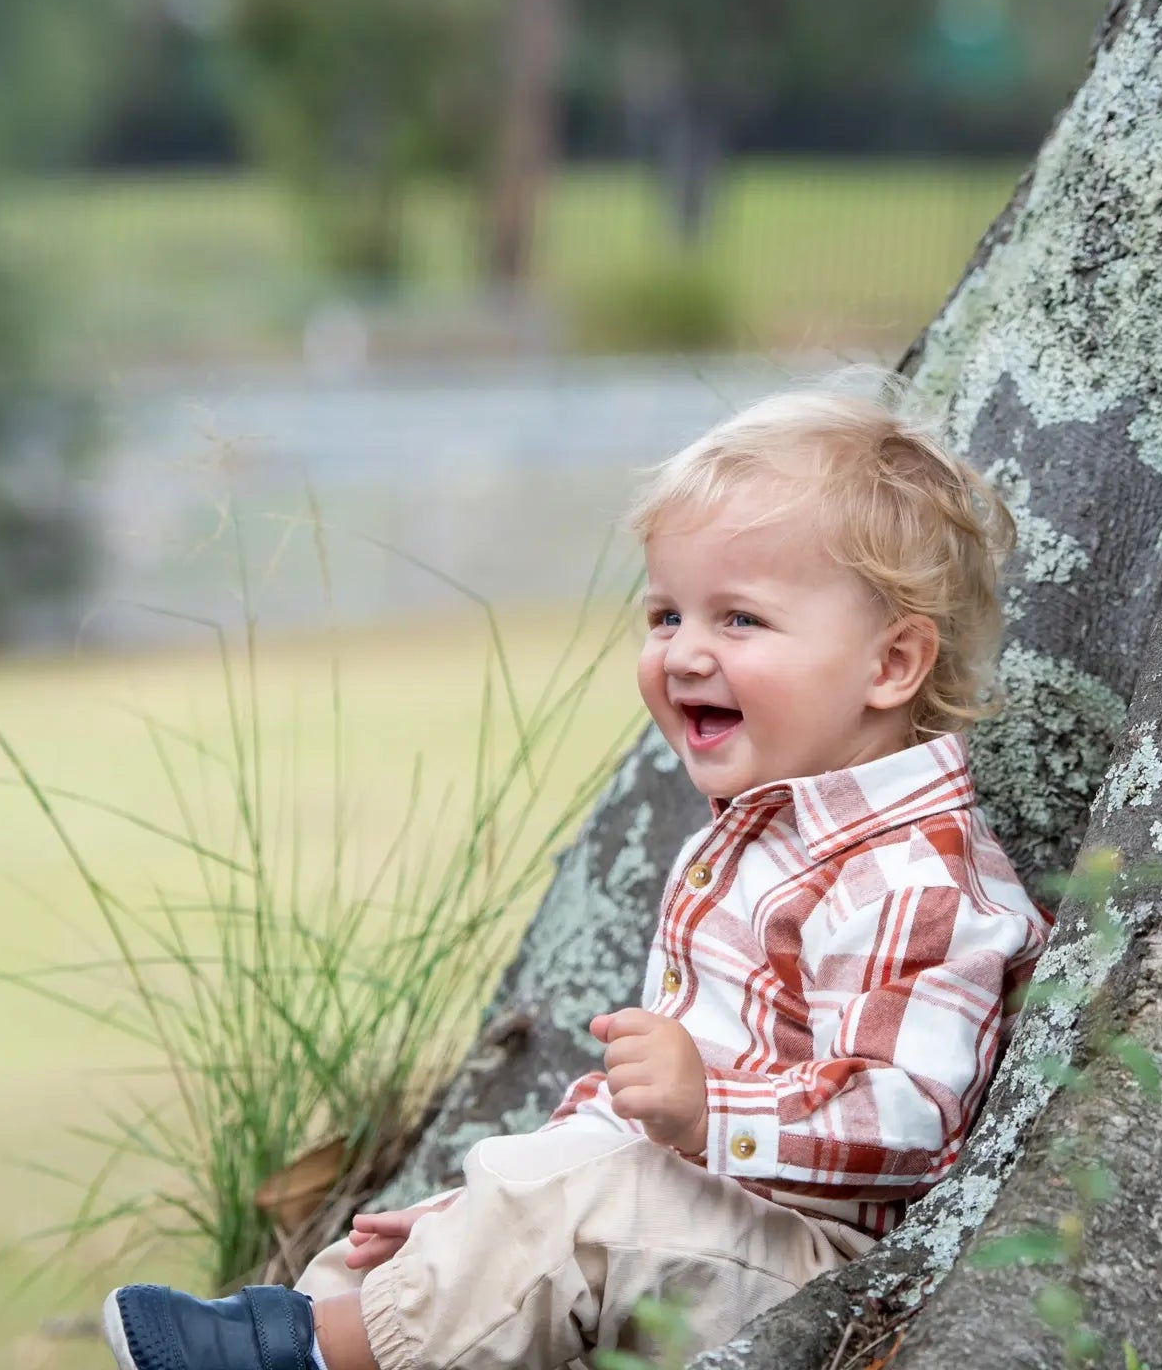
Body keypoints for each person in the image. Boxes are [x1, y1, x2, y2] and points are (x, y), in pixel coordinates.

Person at [102, 375, 1051, 1370]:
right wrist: (482, 1211)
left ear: (892, 665)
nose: (684, 654)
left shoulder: (913, 877)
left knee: (592, 1206)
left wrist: (705, 1109)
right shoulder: (757, 840)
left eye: (740, 620)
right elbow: (623, 1142)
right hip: (691, 1217)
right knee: (386, 1252)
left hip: (818, 1262)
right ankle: (317, 1326)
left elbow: (911, 1116)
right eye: (665, 616)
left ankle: (298, 1355)